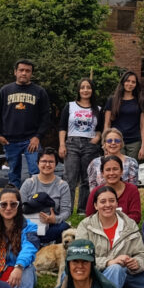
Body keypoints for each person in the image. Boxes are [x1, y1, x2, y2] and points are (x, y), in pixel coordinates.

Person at [76, 185, 144, 288]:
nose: (108, 205)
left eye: (112, 201)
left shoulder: (129, 225)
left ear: (117, 204)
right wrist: (108, 262)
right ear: (96, 205)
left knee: (117, 270)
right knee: (114, 268)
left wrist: (136, 263)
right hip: (92, 275)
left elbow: (142, 256)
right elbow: (80, 256)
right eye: (103, 202)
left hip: (124, 277)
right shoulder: (85, 226)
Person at [0, 58, 52, 188]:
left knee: (36, 171)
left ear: (31, 73)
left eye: (27, 71)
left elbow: (46, 117)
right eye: (21, 70)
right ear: (15, 72)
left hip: (31, 140)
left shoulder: (39, 92)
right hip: (10, 140)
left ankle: (36, 196)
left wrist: (38, 137)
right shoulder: (5, 91)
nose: (24, 73)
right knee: (13, 173)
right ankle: (15, 197)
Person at [59, 78, 103, 213]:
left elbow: (100, 129)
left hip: (90, 145)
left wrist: (96, 139)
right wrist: (62, 144)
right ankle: (67, 210)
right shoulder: (70, 106)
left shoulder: (98, 109)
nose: (85, 90)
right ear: (78, 90)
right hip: (72, 144)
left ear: (92, 90)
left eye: (88, 87)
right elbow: (62, 127)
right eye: (82, 87)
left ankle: (82, 210)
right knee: (69, 178)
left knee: (87, 179)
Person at [20, 148, 72, 246]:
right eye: (44, 161)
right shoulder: (28, 183)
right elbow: (19, 208)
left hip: (52, 227)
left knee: (65, 227)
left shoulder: (63, 185)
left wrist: (55, 219)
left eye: (51, 162)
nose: (47, 165)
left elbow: (66, 211)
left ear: (55, 164)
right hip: (29, 226)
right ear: (38, 163)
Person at [103, 70, 144, 160]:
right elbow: (107, 124)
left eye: (133, 82)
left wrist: (143, 146)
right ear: (123, 82)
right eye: (128, 81)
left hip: (134, 142)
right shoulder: (112, 100)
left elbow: (143, 126)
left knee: (132, 166)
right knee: (116, 165)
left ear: (136, 84)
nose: (130, 84)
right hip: (116, 141)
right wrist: (105, 144)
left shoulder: (140, 101)